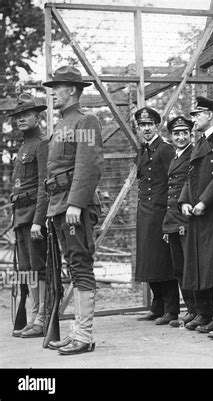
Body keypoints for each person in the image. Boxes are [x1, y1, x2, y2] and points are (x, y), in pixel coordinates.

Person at [42, 65, 103, 354]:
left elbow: (89, 165)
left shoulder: (86, 121)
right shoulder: (61, 124)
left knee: (80, 265)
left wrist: (76, 203)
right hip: (59, 205)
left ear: (74, 90)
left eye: (58, 86)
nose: (54, 92)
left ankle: (85, 335)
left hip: (73, 206)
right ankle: (77, 330)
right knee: (73, 265)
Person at [178, 96, 213, 334]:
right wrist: (184, 202)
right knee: (198, 263)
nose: (194, 119)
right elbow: (190, 175)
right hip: (197, 212)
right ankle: (205, 313)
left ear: (209, 115)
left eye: (196, 114)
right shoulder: (200, 142)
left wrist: (204, 201)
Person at [134, 107, 179, 326]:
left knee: (164, 260)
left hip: (161, 211)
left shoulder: (165, 150)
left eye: (149, 124)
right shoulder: (142, 150)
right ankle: (157, 305)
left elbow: (174, 181)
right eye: (142, 125)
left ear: (157, 126)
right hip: (145, 213)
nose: (146, 129)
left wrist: (170, 212)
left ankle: (171, 309)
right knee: (148, 260)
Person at [8, 94, 48, 338]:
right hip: (20, 216)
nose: (21, 119)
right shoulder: (23, 146)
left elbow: (44, 185)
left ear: (38, 116)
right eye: (17, 116)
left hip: (34, 216)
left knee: (39, 268)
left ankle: (42, 318)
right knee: (27, 269)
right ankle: (33, 316)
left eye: (26, 115)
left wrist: (38, 220)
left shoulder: (42, 143)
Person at [162, 116, 197, 327]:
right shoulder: (175, 156)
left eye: (184, 133)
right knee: (179, 268)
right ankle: (190, 309)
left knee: (190, 266)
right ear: (171, 136)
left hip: (187, 217)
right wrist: (166, 224)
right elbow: (170, 191)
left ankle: (198, 310)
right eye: (176, 133)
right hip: (172, 219)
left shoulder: (193, 154)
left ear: (190, 134)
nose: (181, 137)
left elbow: (190, 184)